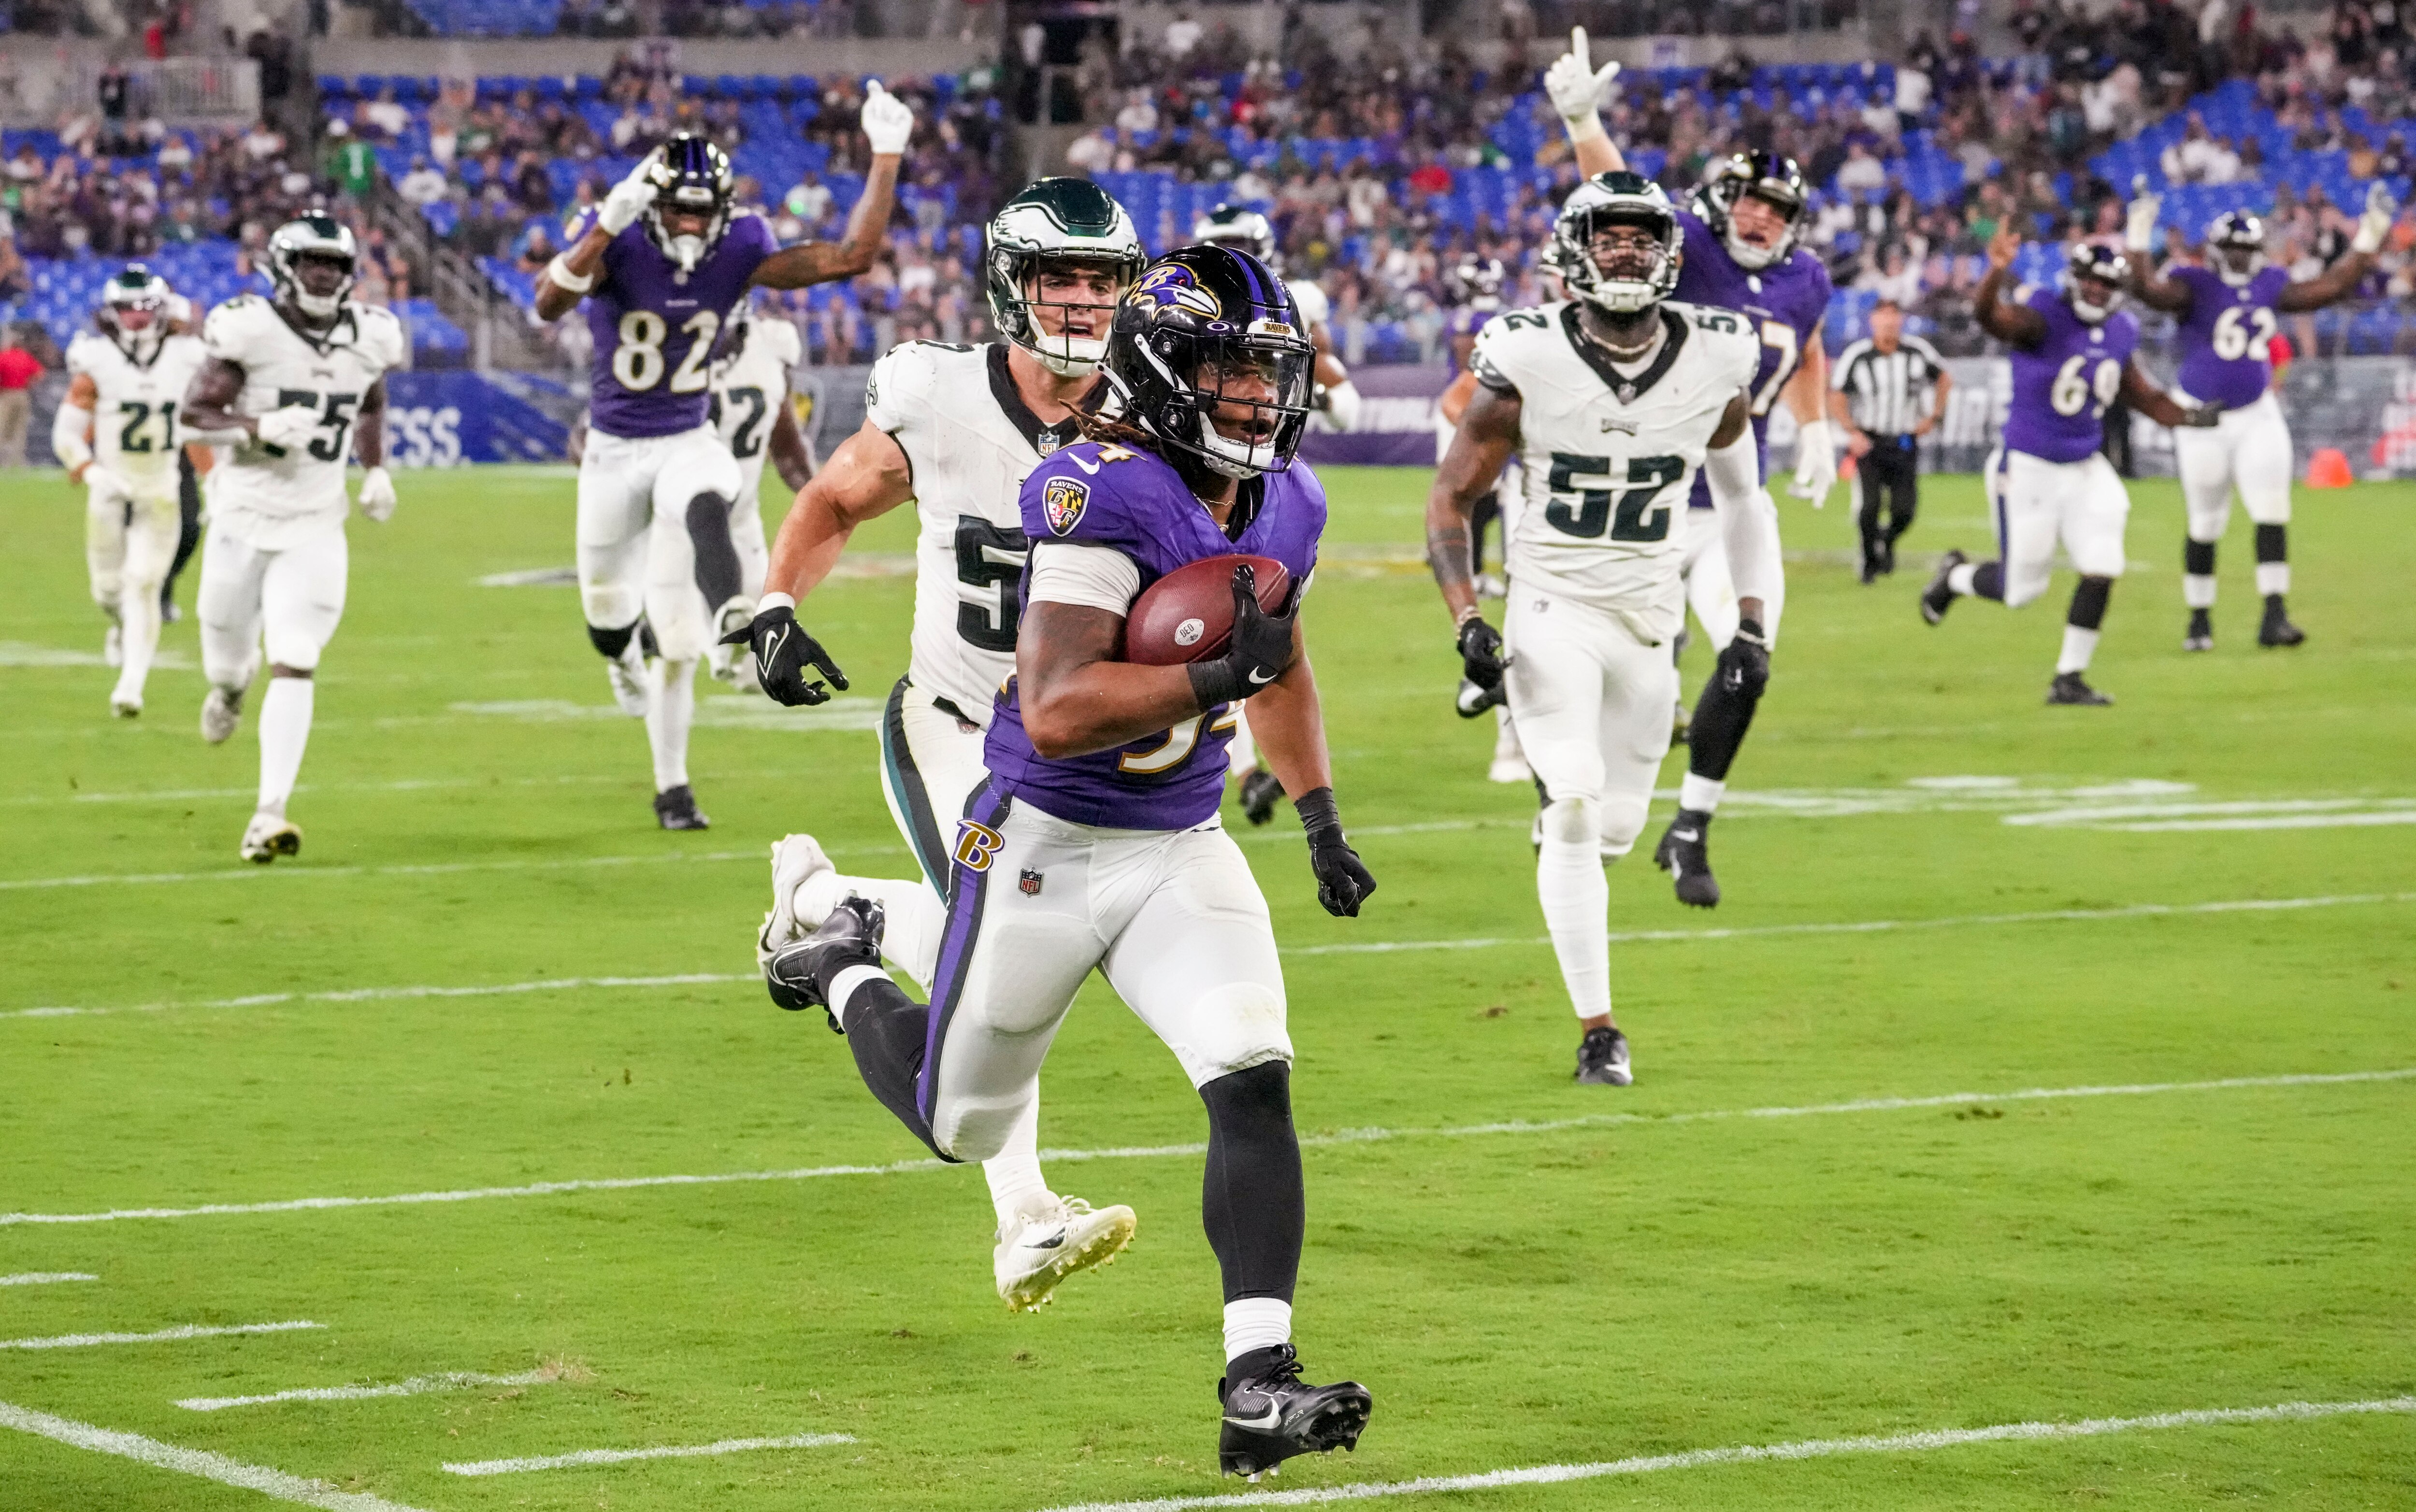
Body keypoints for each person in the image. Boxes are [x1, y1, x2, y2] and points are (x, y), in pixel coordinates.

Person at [742, 244, 1377, 1478]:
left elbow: (1282, 659)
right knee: (957, 1122)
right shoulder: (1102, 489)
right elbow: (1057, 706)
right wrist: (1208, 677)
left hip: (1177, 842)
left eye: (1267, 372)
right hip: (1040, 842)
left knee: (1250, 1066)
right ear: (1165, 366)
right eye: (1230, 371)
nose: (1258, 398)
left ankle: (1258, 1381)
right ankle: (840, 955)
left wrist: (1317, 815)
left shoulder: (1288, 498)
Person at [739, 179, 1147, 1312]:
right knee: (1012, 939)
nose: (1078, 300)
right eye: (1057, 278)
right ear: (1010, 287)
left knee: (1020, 943)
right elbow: (830, 502)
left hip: (1078, 744)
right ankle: (1024, 1217)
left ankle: (830, 904)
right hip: (955, 725)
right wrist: (773, 607)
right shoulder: (937, 394)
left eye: (1100, 279)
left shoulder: (1152, 406)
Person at [1429, 173, 1767, 1089]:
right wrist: (1469, 619)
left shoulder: (1717, 357)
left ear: (1670, 254)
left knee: (1613, 831)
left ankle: (1567, 839)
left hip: (1651, 622)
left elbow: (1744, 499)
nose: (1625, 251)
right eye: (1607, 236)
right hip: (1551, 610)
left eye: (1642, 238)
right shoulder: (1526, 355)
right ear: (1574, 250)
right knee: (1575, 804)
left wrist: (1752, 617)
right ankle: (1599, 1031)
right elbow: (1452, 497)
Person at [529, 95, 907, 831]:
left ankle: (731, 610)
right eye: (680, 212)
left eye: (706, 213)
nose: (694, 227)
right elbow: (547, 302)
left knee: (712, 489)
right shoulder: (619, 234)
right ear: (653, 204)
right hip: (611, 447)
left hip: (683, 432)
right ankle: (618, 653)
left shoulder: (741, 247)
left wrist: (886, 157)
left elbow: (850, 258)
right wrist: (610, 218)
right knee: (607, 613)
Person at [1548, 28, 1836, 908]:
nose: (1758, 217)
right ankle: (1572, 808)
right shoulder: (1689, 250)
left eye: (1775, 211)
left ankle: (1693, 827)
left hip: (1735, 508)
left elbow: (1810, 346)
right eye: (1748, 202)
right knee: (1628, 679)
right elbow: (1618, 196)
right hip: (1650, 500)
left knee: (1749, 660)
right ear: (1722, 202)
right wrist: (1583, 122)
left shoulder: (1808, 280)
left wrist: (1817, 423)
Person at [179, 215, 405, 862]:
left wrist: (377, 469)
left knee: (297, 653)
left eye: (334, 264)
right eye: (312, 262)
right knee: (226, 660)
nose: (324, 274)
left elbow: (369, 402)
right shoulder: (249, 327)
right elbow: (194, 415)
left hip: (315, 522)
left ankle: (269, 811)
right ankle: (228, 690)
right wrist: (258, 426)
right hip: (242, 515)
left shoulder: (372, 335)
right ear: (285, 267)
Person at [1919, 229, 2219, 704]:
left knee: (2103, 563)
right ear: (2073, 280)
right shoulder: (2043, 315)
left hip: (2084, 465)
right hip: (2028, 467)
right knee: (2020, 591)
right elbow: (1990, 317)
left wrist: (2191, 416)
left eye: (2106, 283)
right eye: (2089, 280)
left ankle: (2068, 678)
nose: (2097, 290)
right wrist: (1994, 270)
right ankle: (1954, 576)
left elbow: (2139, 394)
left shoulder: (2120, 331)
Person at [2123, 184, 2396, 649]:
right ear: (2214, 252)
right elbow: (2146, 289)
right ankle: (2199, 621)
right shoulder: (2195, 285)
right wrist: (2138, 231)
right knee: (2206, 521)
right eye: (2230, 249)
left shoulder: (2269, 283)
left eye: (2245, 249)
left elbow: (2330, 288)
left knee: (2272, 512)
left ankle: (2274, 616)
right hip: (2201, 417)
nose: (2237, 258)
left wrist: (2370, 235)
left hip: (2256, 413)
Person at [1192, 203, 1363, 825]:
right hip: (1196, 486)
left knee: (1261, 638)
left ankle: (1248, 768)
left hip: (1275, 493)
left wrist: (1295, 386)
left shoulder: (1295, 307)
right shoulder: (1177, 307)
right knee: (1204, 632)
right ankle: (1239, 769)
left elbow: (1347, 408)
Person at [52, 266, 212, 716]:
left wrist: (214, 480)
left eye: (144, 309)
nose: (136, 318)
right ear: (112, 311)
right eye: (127, 309)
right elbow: (66, 433)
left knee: (143, 584)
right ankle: (121, 630)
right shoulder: (97, 359)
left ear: (161, 311)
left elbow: (201, 426)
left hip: (161, 486)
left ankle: (131, 686)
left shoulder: (187, 357)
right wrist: (88, 470)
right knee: (108, 591)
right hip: (110, 487)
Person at [698, 297, 814, 690]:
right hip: (678, 519)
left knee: (756, 676)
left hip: (741, 519)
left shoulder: (771, 346)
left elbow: (785, 444)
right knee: (674, 642)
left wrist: (821, 500)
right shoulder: (672, 349)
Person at [1830, 298, 1951, 583]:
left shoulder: (1917, 352)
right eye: (1883, 318)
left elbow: (1945, 378)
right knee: (1869, 506)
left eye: (1894, 317)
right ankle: (1869, 561)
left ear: (1901, 321)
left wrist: (1933, 415)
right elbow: (1836, 395)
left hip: (1905, 441)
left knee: (1905, 510)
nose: (1889, 323)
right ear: (1873, 322)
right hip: (1869, 441)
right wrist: (1851, 431)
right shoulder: (1858, 355)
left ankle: (1887, 539)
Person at [0, 324, 41, 465]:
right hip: (23, 394)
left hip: (6, 395)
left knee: (3, 427)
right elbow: (40, 374)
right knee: (20, 430)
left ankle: (3, 461)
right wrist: (29, 384)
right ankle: (17, 461)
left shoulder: (4, 356)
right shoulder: (25, 357)